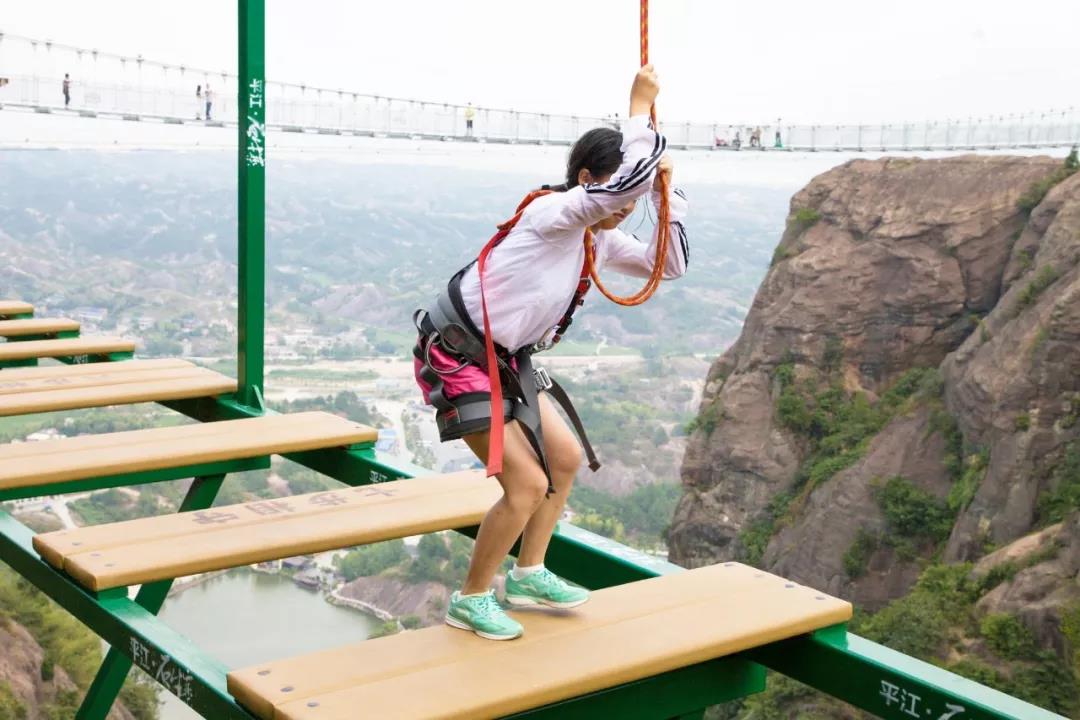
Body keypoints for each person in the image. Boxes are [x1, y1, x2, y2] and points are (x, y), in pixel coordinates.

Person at [412, 65, 689, 641]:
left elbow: (672, 264)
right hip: (460, 353)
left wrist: (670, 194)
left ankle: (529, 571)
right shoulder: (552, 213)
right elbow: (618, 190)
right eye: (617, 193)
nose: (622, 211)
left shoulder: (598, 236)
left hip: (506, 360)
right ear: (587, 179)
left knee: (561, 461)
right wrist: (639, 109)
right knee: (527, 485)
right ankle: (470, 599)